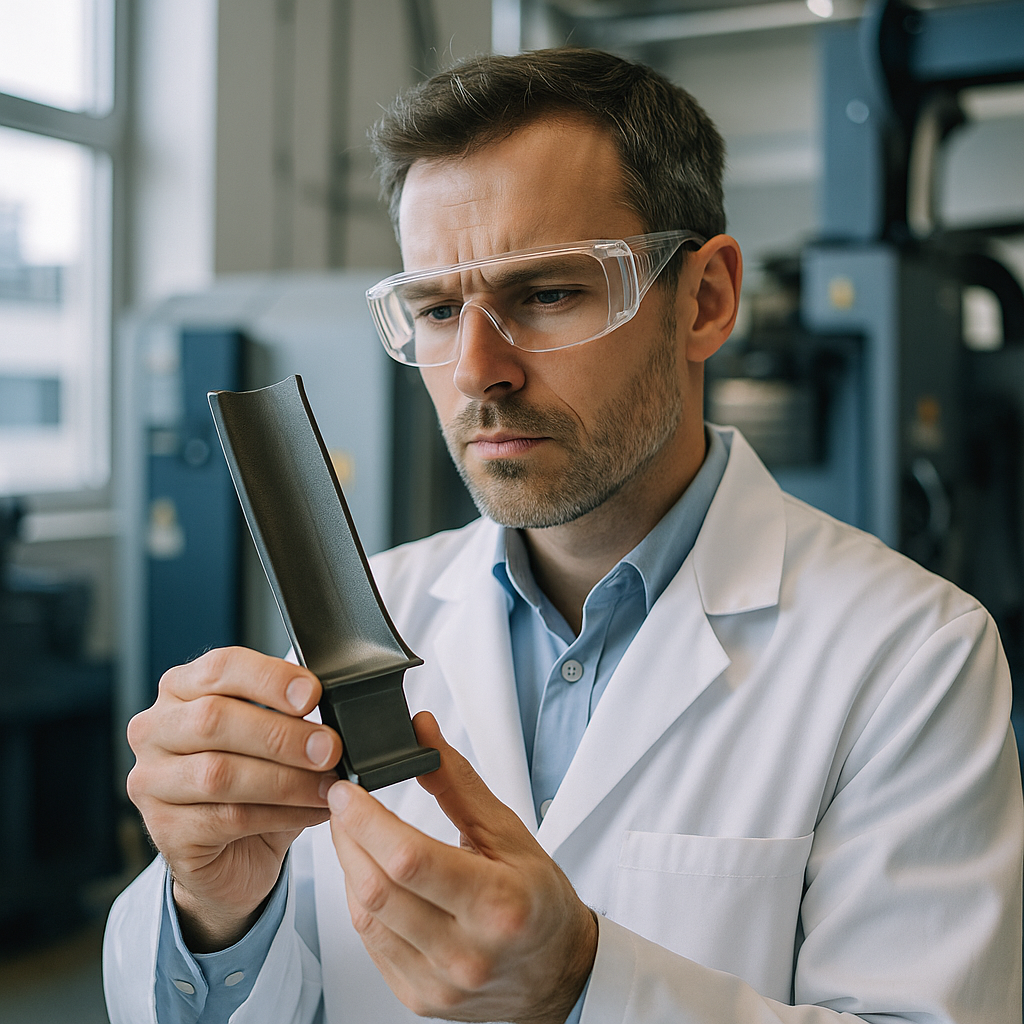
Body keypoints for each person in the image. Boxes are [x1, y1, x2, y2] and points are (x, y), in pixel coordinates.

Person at [104, 48, 1023, 1024]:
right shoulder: (366, 618)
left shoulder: (912, 653)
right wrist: (213, 910)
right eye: (436, 308)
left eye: (546, 295)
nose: (475, 370)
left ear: (704, 301)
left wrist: (584, 985)